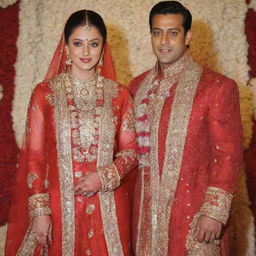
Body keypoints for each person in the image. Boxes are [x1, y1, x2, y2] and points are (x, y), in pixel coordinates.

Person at [5, 9, 137, 256]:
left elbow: (130, 151)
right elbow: (34, 157)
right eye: (78, 43)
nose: (86, 52)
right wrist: (41, 211)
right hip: (58, 206)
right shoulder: (45, 94)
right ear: (66, 47)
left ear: (103, 48)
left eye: (93, 44)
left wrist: (104, 175)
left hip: (107, 203)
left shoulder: (120, 95)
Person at [129, 1, 243, 255]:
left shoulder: (216, 87)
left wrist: (214, 212)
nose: (164, 41)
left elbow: (228, 153)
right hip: (143, 216)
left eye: (173, 32)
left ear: (187, 35)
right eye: (157, 32)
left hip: (193, 214)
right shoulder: (136, 88)